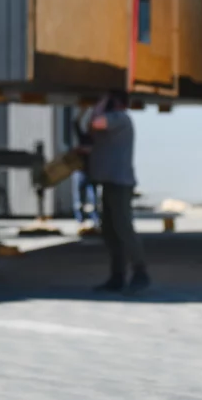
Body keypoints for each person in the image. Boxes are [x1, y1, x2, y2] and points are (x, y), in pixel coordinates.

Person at [86, 90, 150, 295]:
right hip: (109, 182)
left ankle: (140, 272)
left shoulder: (120, 118)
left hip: (119, 183)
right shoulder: (114, 121)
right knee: (110, 230)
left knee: (123, 228)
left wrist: (101, 102)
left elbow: (96, 122)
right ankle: (117, 276)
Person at [71, 108, 100, 230]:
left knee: (93, 200)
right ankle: (80, 221)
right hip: (82, 172)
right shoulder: (84, 137)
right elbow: (75, 123)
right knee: (79, 200)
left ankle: (95, 221)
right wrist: (83, 110)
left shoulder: (97, 140)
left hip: (92, 172)